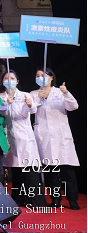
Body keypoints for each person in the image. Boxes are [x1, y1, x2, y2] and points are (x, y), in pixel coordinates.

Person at [31, 68, 80, 210]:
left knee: (67, 170)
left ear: (51, 77)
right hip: (44, 137)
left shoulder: (59, 92)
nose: (40, 77)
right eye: (37, 76)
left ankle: (72, 200)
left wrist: (66, 93)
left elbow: (73, 106)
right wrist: (38, 98)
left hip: (61, 137)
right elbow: (31, 110)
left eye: (43, 75)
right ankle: (55, 199)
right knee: (50, 171)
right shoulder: (34, 94)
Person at [0, 70, 46, 207]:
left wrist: (30, 104)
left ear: (17, 81)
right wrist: (6, 104)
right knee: (16, 169)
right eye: (6, 78)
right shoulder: (0, 97)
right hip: (10, 135)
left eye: (12, 78)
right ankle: (18, 199)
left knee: (29, 167)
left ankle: (35, 200)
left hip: (24, 135)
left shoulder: (25, 95)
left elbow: (32, 110)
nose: (9, 81)